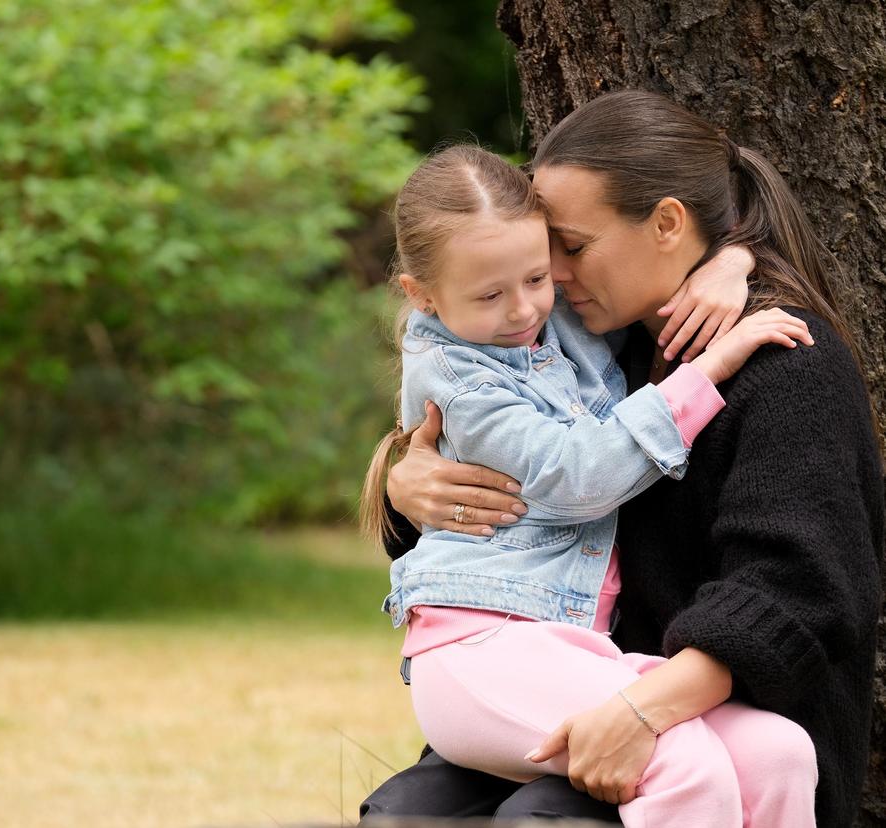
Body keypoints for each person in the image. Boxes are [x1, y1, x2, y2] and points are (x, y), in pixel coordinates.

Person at [361, 91, 884, 828]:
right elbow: (463, 227)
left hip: (697, 706)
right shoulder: (586, 340)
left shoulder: (785, 362)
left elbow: (800, 591)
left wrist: (640, 711)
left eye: (568, 251)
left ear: (668, 224)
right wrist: (405, 486)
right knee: (406, 815)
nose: (549, 282)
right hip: (567, 674)